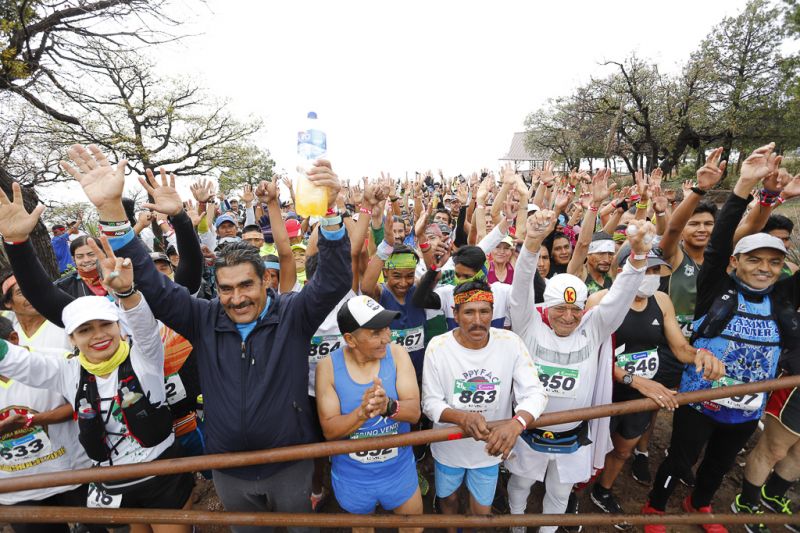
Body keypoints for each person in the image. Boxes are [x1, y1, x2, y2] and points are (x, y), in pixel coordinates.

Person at [60, 144, 351, 533]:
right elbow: (151, 284)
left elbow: (333, 280)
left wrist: (330, 213)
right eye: (227, 288)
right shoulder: (203, 318)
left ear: (265, 281)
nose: (237, 297)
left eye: (246, 285)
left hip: (290, 462)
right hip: (228, 469)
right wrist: (112, 211)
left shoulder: (293, 316)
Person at [643, 144, 800, 533]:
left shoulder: (782, 298)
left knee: (719, 463)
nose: (764, 269)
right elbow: (718, 243)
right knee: (681, 458)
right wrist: (744, 186)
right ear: (735, 263)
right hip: (701, 398)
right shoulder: (717, 287)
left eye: (774, 262)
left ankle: (699, 505)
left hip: (747, 405)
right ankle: (655, 507)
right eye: (754, 260)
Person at [0, 235, 193, 533]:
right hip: (114, 483)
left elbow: (142, 324)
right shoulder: (67, 370)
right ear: (71, 339)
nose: (98, 335)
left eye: (106, 325)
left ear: (119, 327)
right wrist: (15, 241)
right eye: (85, 330)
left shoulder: (144, 357)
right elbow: (15, 361)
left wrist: (127, 292)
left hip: (161, 475)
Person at [505, 210, 655, 533]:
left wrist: (639, 256)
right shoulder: (528, 324)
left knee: (559, 494)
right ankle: (517, 529)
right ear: (546, 307)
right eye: (561, 308)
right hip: (528, 433)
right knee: (520, 486)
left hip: (571, 437)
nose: (569, 317)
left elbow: (620, 297)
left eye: (576, 309)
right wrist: (531, 243)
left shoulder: (594, 328)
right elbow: (520, 289)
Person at [586, 250, 725, 528]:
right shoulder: (601, 301)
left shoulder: (661, 301)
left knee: (624, 449)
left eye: (653, 272)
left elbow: (679, 347)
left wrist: (700, 354)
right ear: (623, 271)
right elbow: (588, 354)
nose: (648, 278)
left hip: (642, 395)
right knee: (590, 450)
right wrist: (633, 379)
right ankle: (571, 495)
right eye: (643, 271)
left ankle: (603, 490)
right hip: (605, 392)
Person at [421, 280, 548, 533]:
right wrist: (461, 418)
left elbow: (535, 393)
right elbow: (430, 402)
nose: (477, 320)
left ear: (493, 312)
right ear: (455, 315)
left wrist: (517, 423)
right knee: (449, 499)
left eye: (484, 311)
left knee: (481, 512)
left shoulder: (510, 342)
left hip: (489, 450)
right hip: (449, 448)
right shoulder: (438, 347)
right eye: (469, 312)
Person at [315, 296, 422, 531]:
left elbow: (414, 413)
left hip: (399, 470)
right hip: (353, 477)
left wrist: (389, 407)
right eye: (375, 332)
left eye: (386, 327)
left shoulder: (397, 354)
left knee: (414, 527)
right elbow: (330, 431)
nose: (387, 337)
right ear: (350, 340)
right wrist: (362, 413)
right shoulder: (329, 367)